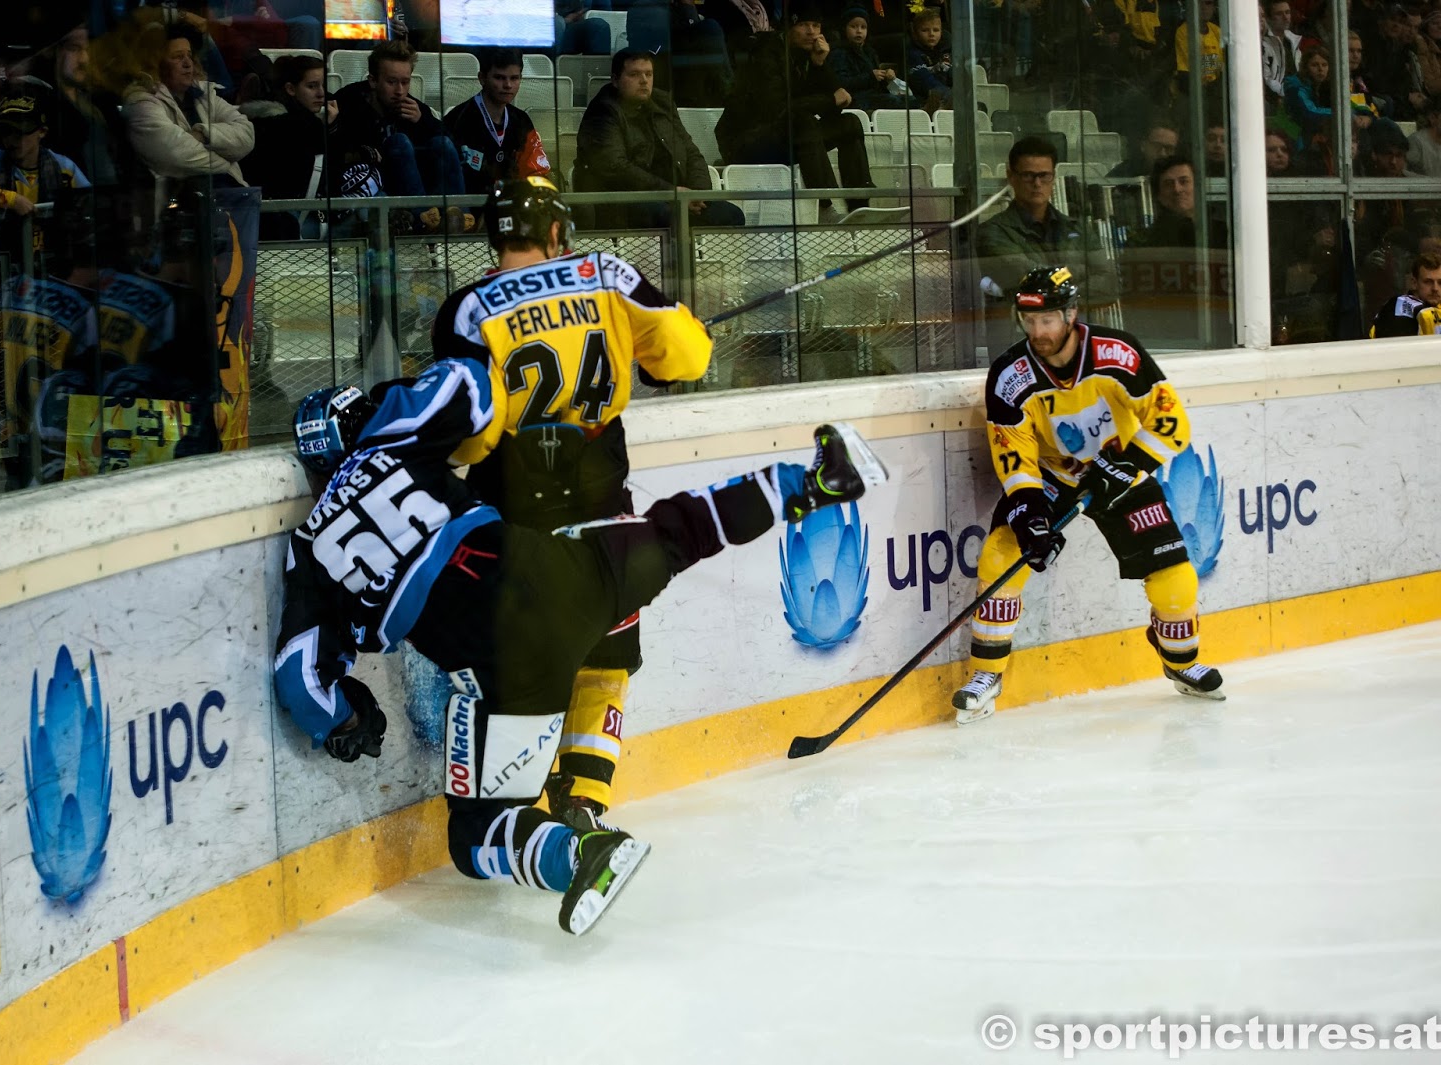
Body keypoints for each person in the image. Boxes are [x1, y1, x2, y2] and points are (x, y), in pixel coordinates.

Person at [273, 372, 887, 933]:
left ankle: (581, 857)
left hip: (509, 673)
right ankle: (814, 481)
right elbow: (467, 393)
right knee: (679, 531)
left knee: (475, 832)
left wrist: (345, 719)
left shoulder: (307, 551)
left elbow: (300, 679)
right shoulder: (395, 445)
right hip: (563, 577)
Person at [425, 176, 712, 829]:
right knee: (606, 656)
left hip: (510, 512)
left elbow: (468, 440)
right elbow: (686, 357)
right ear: (558, 232)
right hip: (603, 509)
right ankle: (584, 801)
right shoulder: (607, 273)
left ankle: (508, 814)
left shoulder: (467, 309)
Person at [951, 265, 1224, 726]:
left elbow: (1171, 423)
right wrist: (1029, 514)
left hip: (1120, 474)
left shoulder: (1118, 355)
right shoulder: (1008, 377)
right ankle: (987, 675)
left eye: (1048, 321)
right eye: (1029, 321)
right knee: (1001, 557)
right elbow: (1013, 456)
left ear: (1071, 314)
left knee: (1175, 577)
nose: (1038, 332)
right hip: (1053, 477)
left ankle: (1179, 663)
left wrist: (1129, 464)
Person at [716, 2, 875, 221]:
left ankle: (860, 208)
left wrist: (820, 65)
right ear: (789, 28)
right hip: (745, 141)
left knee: (850, 124)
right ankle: (824, 208)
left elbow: (837, 102)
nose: (812, 32)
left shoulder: (807, 55)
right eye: (804, 25)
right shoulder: (766, 53)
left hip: (788, 136)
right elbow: (776, 109)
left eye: (816, 25)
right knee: (803, 121)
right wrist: (828, 100)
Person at [575, 49, 746, 229]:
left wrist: (697, 193)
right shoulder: (603, 112)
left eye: (649, 74)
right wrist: (670, 193)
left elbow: (691, 152)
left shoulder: (663, 102)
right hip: (627, 201)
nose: (644, 81)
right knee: (667, 216)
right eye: (634, 74)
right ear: (616, 80)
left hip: (676, 197)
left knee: (732, 215)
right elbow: (616, 168)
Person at [330, 40, 473, 232]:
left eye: (405, 82)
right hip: (376, 182)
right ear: (373, 80)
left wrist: (422, 121)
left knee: (442, 143)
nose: (399, 91)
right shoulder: (349, 102)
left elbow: (452, 143)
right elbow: (340, 151)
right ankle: (424, 218)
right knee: (400, 142)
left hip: (416, 183)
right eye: (391, 82)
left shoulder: (411, 106)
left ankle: (459, 216)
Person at [977, 136, 1118, 312]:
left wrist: (1058, 291)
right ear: (1011, 176)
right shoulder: (993, 232)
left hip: (1076, 331)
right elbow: (1031, 279)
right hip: (1022, 331)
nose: (1037, 184)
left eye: (1044, 175)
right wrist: (1081, 272)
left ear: (1053, 177)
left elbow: (1109, 283)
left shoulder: (1077, 227)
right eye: (1028, 176)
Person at [0, 91, 92, 264]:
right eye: (5, 132)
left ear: (41, 132)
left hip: (52, 267)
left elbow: (90, 205)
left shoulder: (65, 169)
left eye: (20, 132)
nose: (10, 139)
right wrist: (9, 199)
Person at [121, 20, 255, 186]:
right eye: (177, 57)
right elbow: (175, 155)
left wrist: (203, 133)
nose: (187, 63)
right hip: (178, 205)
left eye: (189, 56)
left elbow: (247, 134)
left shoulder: (204, 94)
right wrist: (228, 163)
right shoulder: (141, 104)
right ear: (156, 63)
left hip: (229, 195)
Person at [240, 54, 339, 239]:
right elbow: (333, 168)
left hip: (282, 216)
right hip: (282, 218)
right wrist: (330, 129)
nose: (321, 93)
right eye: (312, 86)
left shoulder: (277, 117)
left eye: (323, 85)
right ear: (291, 89)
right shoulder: (293, 125)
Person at [440, 48, 552, 198]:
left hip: (514, 208)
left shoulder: (522, 121)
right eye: (499, 78)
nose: (508, 85)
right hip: (470, 210)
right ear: (482, 78)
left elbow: (537, 173)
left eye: (514, 78)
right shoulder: (457, 121)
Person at [829, 7, 903, 113]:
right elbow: (841, 82)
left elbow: (876, 81)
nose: (859, 31)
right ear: (844, 29)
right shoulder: (839, 53)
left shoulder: (870, 52)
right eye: (853, 26)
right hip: (855, 99)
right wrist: (870, 77)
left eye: (863, 27)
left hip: (872, 95)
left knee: (909, 99)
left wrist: (887, 77)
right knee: (892, 101)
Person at [1368, 251, 1441, 336]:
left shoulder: (1434, 306)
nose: (1435, 288)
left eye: (1440, 283)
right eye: (1428, 282)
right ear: (1414, 283)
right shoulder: (1400, 311)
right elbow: (1398, 348)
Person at [1106, 116, 1180, 178]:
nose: (1162, 153)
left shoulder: (1180, 176)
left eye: (1169, 149)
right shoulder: (1123, 175)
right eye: (1157, 146)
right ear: (1143, 146)